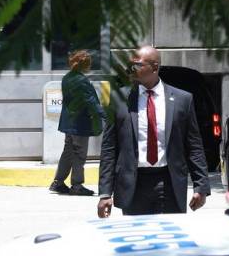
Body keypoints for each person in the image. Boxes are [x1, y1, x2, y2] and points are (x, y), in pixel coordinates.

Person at [97, 45, 210, 217]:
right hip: (134, 185)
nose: (131, 70)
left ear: (155, 67)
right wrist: (105, 193)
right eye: (130, 66)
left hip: (169, 183)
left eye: (137, 65)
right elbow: (109, 148)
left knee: (171, 240)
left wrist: (201, 186)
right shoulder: (119, 100)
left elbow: (194, 146)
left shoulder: (182, 100)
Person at [50, 50, 104, 196]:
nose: (90, 65)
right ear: (84, 64)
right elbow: (90, 102)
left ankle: (58, 182)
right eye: (89, 63)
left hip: (69, 123)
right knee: (79, 155)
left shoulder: (67, 78)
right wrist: (105, 115)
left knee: (68, 153)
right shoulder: (81, 80)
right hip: (79, 124)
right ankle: (77, 186)